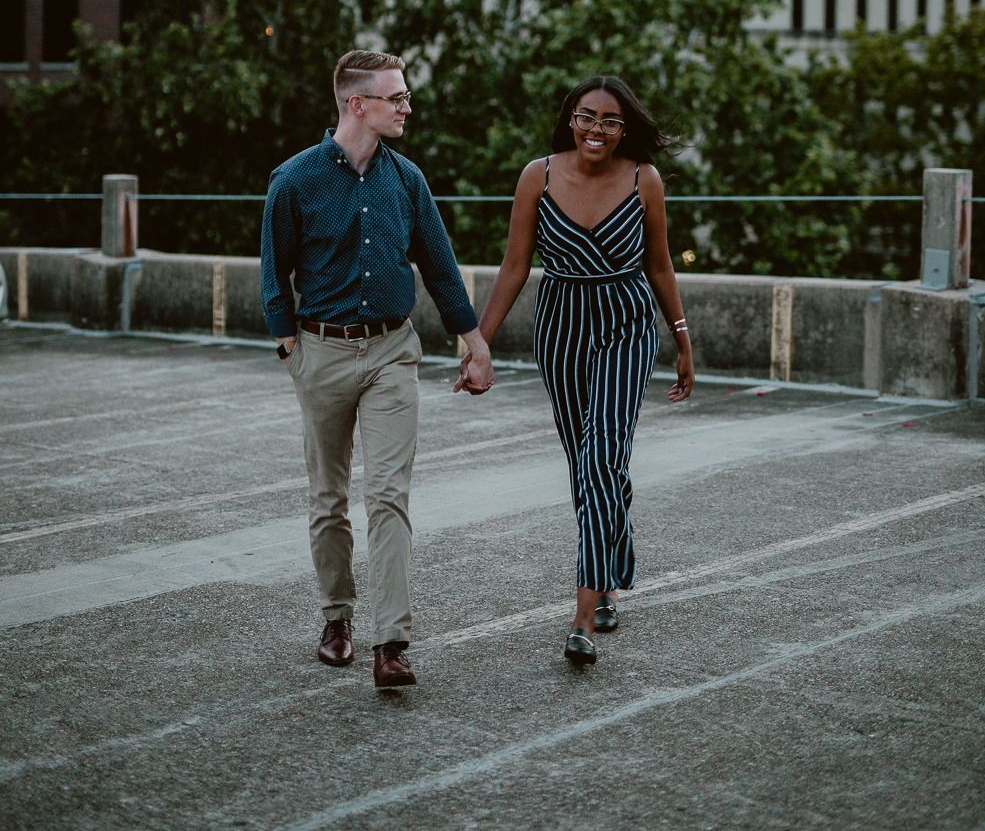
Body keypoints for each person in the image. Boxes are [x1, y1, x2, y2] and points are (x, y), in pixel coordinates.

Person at [261, 50, 495, 689]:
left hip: (394, 350)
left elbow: (441, 269)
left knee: (388, 496)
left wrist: (475, 344)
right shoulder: (295, 180)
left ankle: (391, 642)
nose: (407, 107)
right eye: (396, 97)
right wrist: (292, 354)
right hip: (322, 353)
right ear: (356, 104)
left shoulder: (408, 181)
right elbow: (273, 279)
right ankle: (336, 617)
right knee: (328, 499)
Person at [456, 75, 693, 664]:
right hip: (561, 327)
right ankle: (610, 573)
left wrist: (682, 338)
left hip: (626, 324)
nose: (597, 129)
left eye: (611, 121)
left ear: (624, 129)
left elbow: (660, 265)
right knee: (588, 462)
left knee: (602, 455)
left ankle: (583, 617)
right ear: (570, 119)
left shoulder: (644, 179)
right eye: (587, 117)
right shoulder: (537, 175)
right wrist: (477, 343)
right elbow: (514, 266)